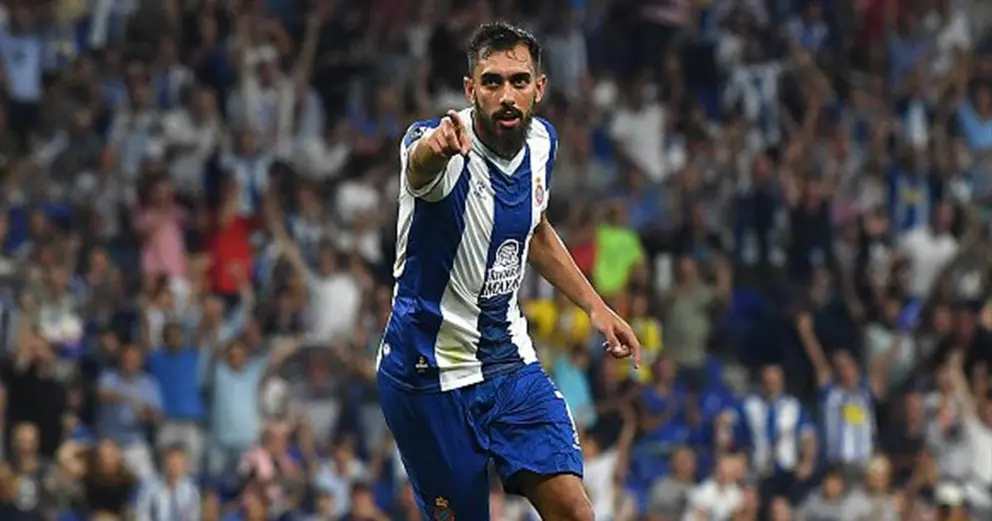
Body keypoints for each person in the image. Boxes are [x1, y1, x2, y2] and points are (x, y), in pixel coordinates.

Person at [376, 21, 641, 521]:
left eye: (518, 81)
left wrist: (596, 307)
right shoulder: (443, 145)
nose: (506, 95)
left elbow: (535, 230)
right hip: (428, 375)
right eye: (492, 81)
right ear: (470, 89)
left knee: (574, 510)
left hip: (507, 362)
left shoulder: (541, 144)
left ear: (538, 87)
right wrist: (436, 147)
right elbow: (418, 166)